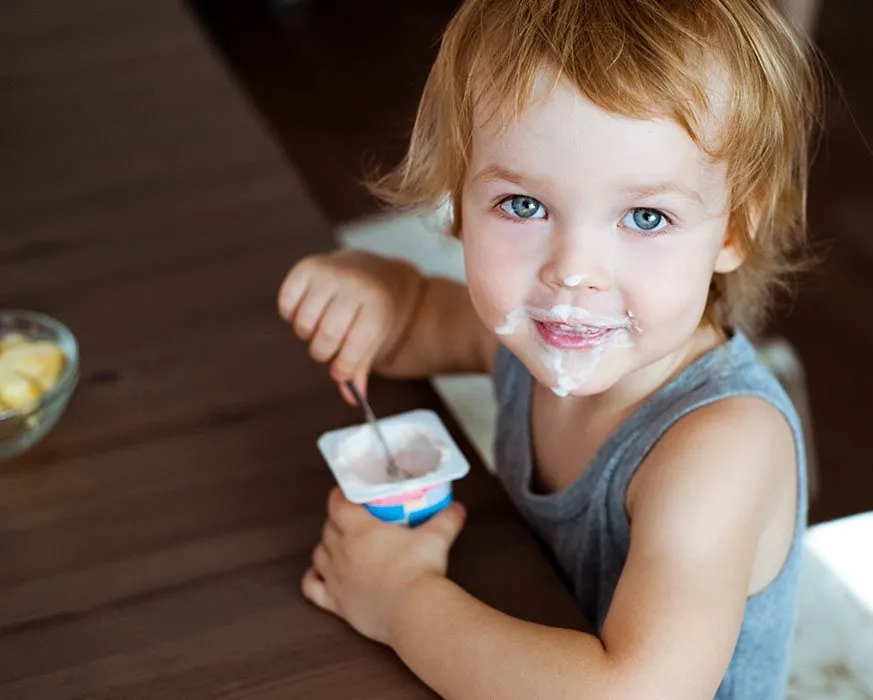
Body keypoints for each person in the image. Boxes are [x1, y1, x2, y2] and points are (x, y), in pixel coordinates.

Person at [277, 0, 822, 697]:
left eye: (646, 216)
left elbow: (631, 693)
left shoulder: (720, 448)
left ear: (731, 232)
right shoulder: (535, 338)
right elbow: (412, 324)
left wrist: (403, 602)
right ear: (457, 200)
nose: (572, 270)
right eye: (523, 205)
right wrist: (375, 292)